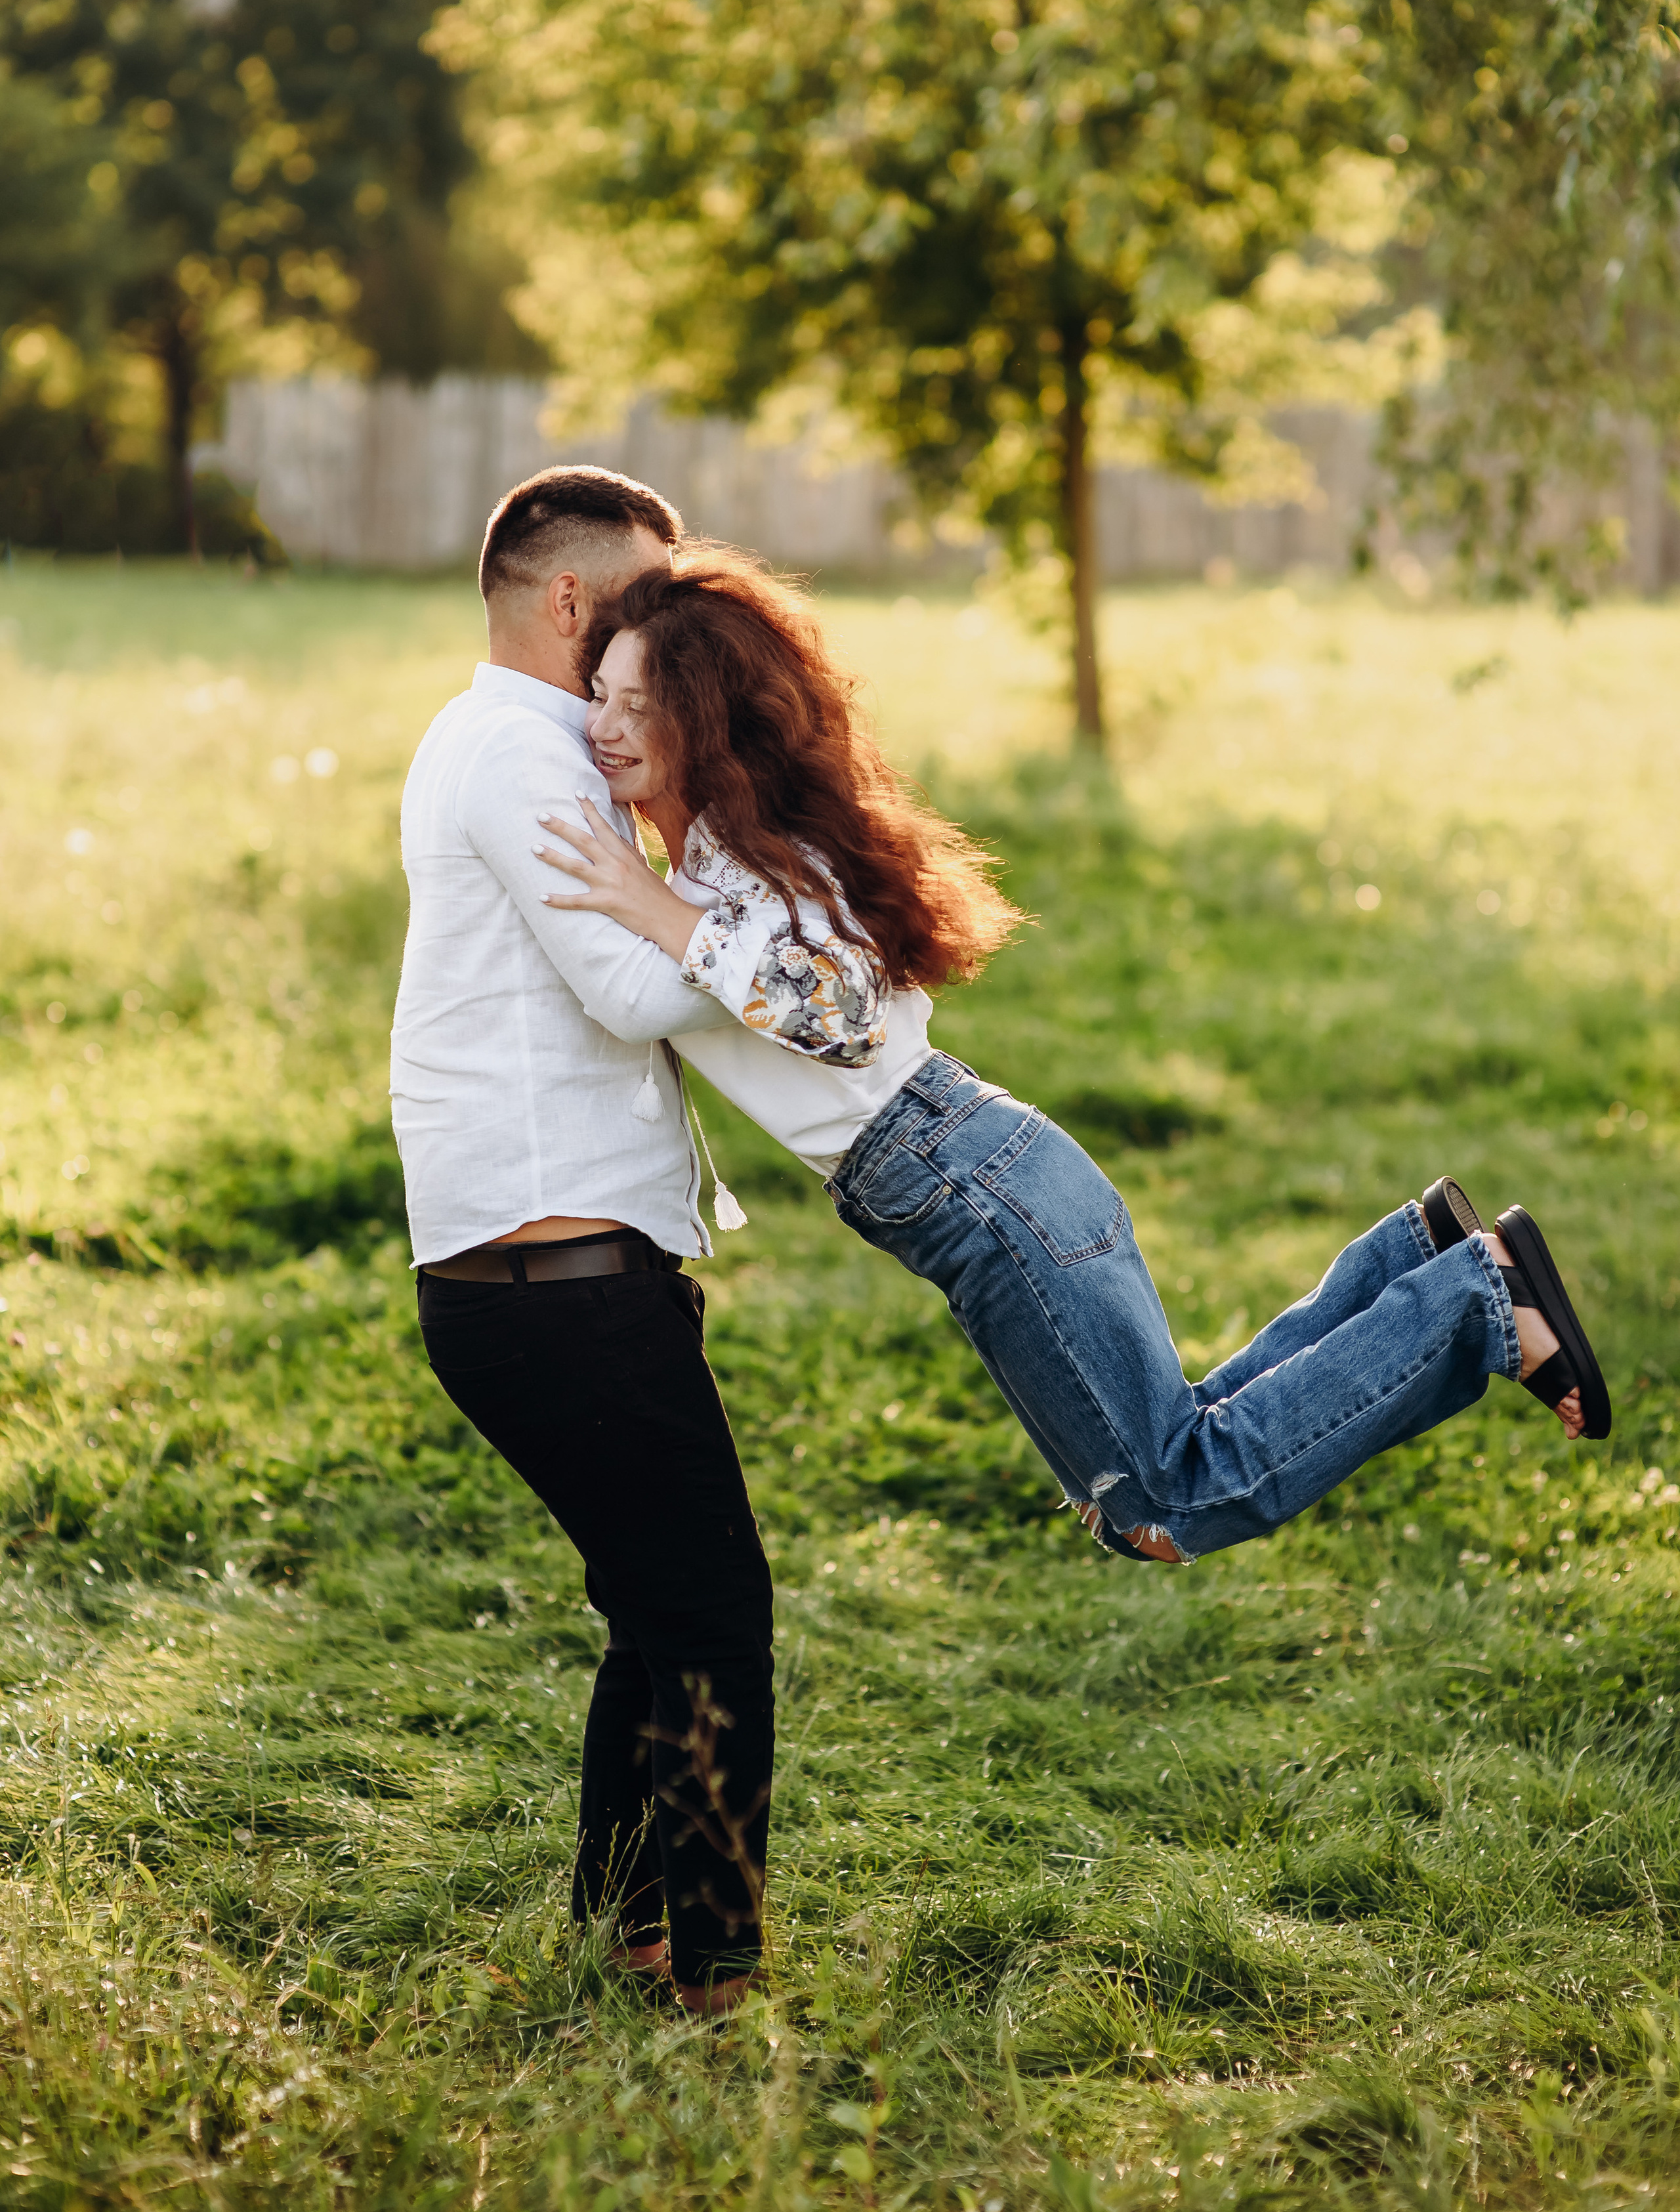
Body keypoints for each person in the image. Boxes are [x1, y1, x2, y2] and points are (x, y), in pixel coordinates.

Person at [531, 547, 1611, 1571]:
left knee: (1166, 1503)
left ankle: (1475, 1302)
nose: (608, 727)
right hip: (979, 1177)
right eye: (604, 695)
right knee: (1178, 1450)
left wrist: (654, 910)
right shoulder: (724, 849)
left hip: (977, 1190)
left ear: (706, 722)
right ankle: (1418, 1260)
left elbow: (846, 1015)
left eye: (643, 705)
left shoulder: (744, 858)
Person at [390, 468, 770, 2017]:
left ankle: (627, 1928)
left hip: (554, 1277)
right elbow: (629, 991)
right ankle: (713, 1969)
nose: (662, 635)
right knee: (710, 1611)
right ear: (569, 603)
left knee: (655, 1601)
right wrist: (773, 942)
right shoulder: (519, 756)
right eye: (641, 601)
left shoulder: (504, 738)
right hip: (557, 1290)